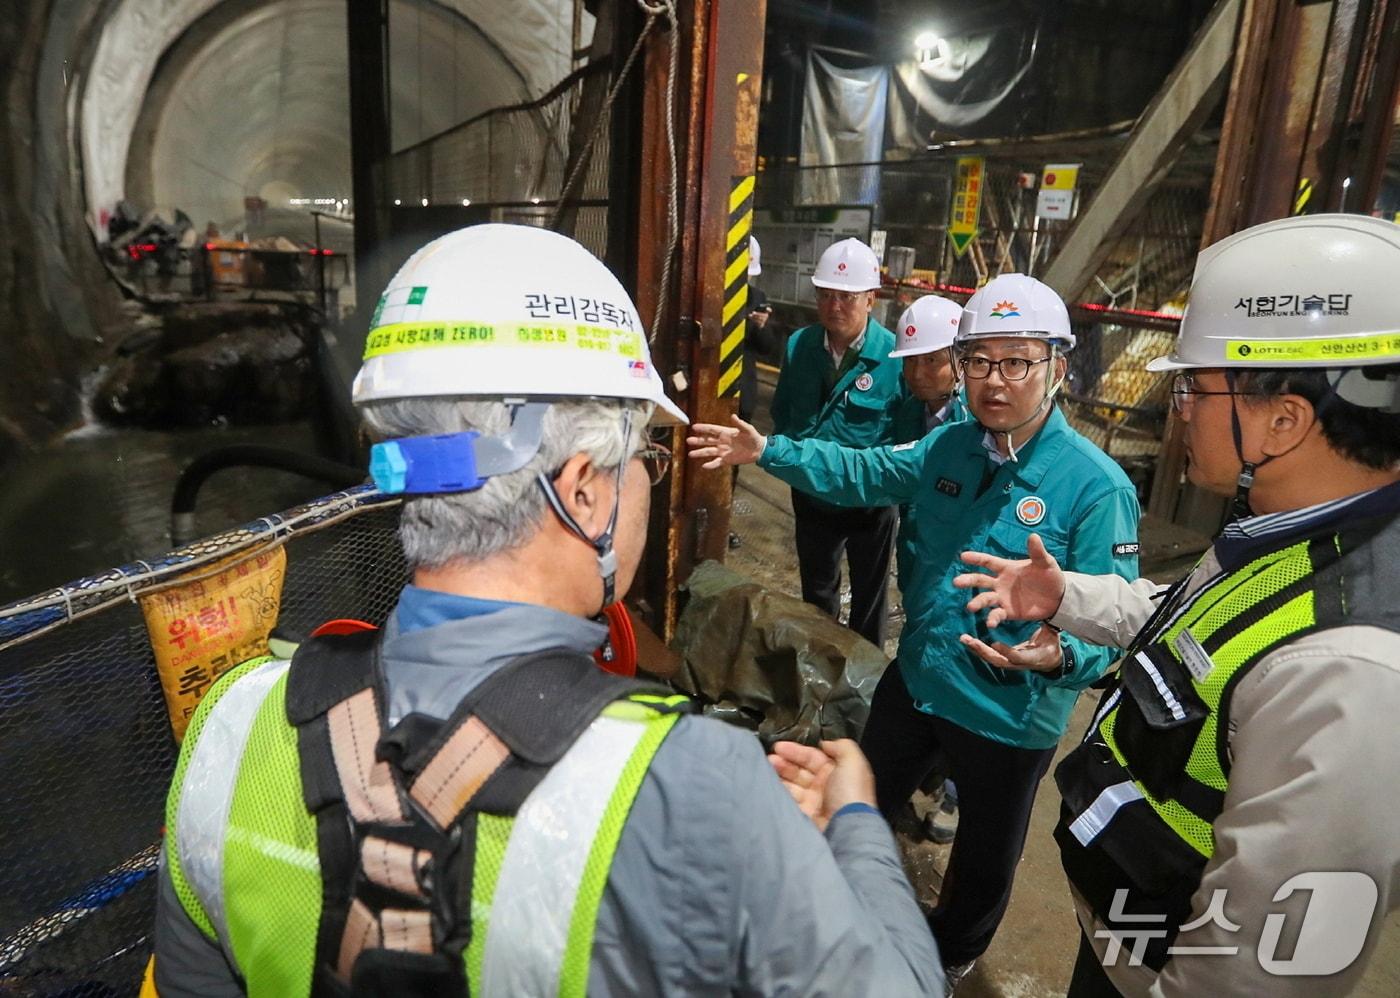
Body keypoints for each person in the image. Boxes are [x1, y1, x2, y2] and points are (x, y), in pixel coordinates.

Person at [151, 224, 944, 996]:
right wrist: (856, 828)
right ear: (583, 492)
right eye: (646, 460)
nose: (648, 481)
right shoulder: (691, 787)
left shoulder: (230, 727)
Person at [953, 214, 1400, 997]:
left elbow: (1254, 976)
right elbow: (1197, 624)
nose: (1179, 408)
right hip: (1132, 926)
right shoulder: (1288, 533)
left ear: (1284, 420)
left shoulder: (1354, 672)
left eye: (1194, 385)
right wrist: (1067, 595)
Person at [689, 273, 1141, 983]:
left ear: (1057, 365)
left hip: (1006, 712)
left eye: (1018, 360)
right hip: (923, 677)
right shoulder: (950, 447)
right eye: (979, 360)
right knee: (863, 786)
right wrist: (769, 452)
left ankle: (950, 957)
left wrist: (1060, 653)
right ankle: (836, 903)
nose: (995, 380)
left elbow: (1112, 621)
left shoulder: (1096, 487)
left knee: (986, 854)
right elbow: (865, 470)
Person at [771, 236, 904, 647]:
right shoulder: (800, 346)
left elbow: (904, 432)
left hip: (871, 503)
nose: (835, 306)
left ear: (871, 299)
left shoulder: (895, 356)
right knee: (818, 594)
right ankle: (822, 669)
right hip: (813, 496)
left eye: (847, 297)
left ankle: (865, 683)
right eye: (826, 295)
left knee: (869, 597)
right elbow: (784, 414)